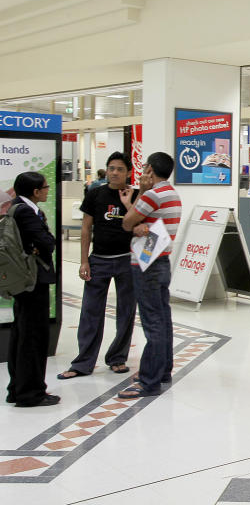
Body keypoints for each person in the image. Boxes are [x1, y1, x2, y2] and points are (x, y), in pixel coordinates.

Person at [59, 153, 139, 380]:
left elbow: (140, 225)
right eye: (111, 168)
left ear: (128, 172)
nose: (114, 172)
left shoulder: (136, 195)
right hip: (99, 260)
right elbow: (86, 229)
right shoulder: (95, 194)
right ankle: (83, 362)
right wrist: (84, 260)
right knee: (91, 311)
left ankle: (117, 358)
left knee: (126, 311)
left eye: (120, 169)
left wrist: (129, 203)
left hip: (127, 260)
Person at [118, 152, 182, 399]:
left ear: (150, 170)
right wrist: (136, 224)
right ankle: (162, 370)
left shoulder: (152, 194)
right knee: (163, 319)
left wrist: (136, 215)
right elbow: (140, 223)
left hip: (147, 264)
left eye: (144, 168)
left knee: (152, 322)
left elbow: (126, 223)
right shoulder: (171, 194)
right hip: (162, 261)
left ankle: (149, 381)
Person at [6, 172, 59, 407]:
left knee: (21, 333)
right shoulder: (27, 211)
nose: (48, 190)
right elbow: (48, 243)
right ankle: (31, 393)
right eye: (45, 187)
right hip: (33, 280)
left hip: (22, 280)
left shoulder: (14, 207)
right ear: (36, 192)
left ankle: (16, 388)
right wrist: (43, 243)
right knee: (33, 337)